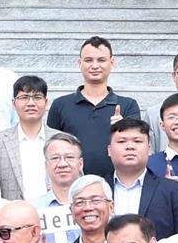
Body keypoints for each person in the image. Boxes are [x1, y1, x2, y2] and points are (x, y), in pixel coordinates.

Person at [46, 37, 142, 182]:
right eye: (88, 60)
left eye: (101, 60)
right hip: (72, 184)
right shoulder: (60, 105)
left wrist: (124, 127)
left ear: (112, 63)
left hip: (118, 184)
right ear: (80, 63)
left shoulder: (128, 105)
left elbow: (136, 146)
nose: (95, 66)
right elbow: (51, 147)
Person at [105, 117, 178, 241]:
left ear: (149, 149)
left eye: (137, 141)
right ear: (109, 150)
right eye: (122, 141)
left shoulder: (173, 190)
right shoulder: (97, 189)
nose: (130, 146)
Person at [0, 74, 54, 202]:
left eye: (37, 97)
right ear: (14, 103)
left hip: (52, 211)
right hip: (11, 211)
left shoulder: (63, 141)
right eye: (24, 97)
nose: (31, 103)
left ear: (46, 103)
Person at [37, 133, 85, 243]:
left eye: (69, 157)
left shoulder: (97, 204)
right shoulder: (34, 209)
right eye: (55, 158)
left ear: (80, 164)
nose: (62, 164)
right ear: (46, 165)